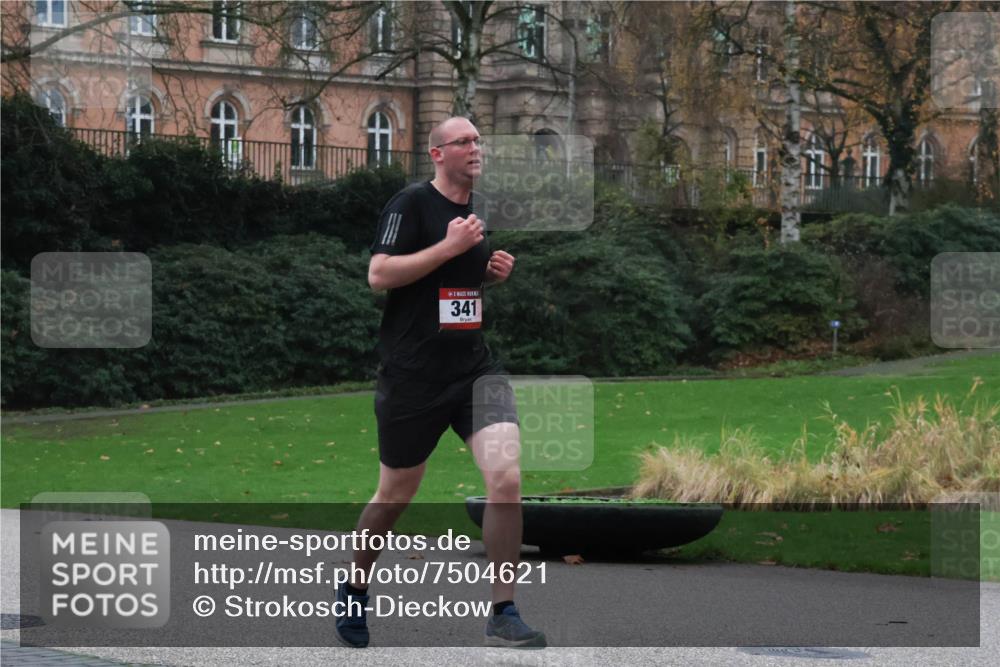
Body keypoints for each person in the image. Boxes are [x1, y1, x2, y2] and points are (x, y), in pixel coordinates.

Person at [334, 116, 546, 649]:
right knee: (395, 494)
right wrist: (450, 249)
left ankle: (503, 608)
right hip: (413, 376)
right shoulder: (410, 205)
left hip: (474, 369)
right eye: (465, 142)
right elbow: (379, 276)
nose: (477, 148)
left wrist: (487, 277)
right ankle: (354, 586)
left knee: (506, 477)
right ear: (437, 154)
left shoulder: (476, 209)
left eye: (480, 139)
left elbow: (453, 292)